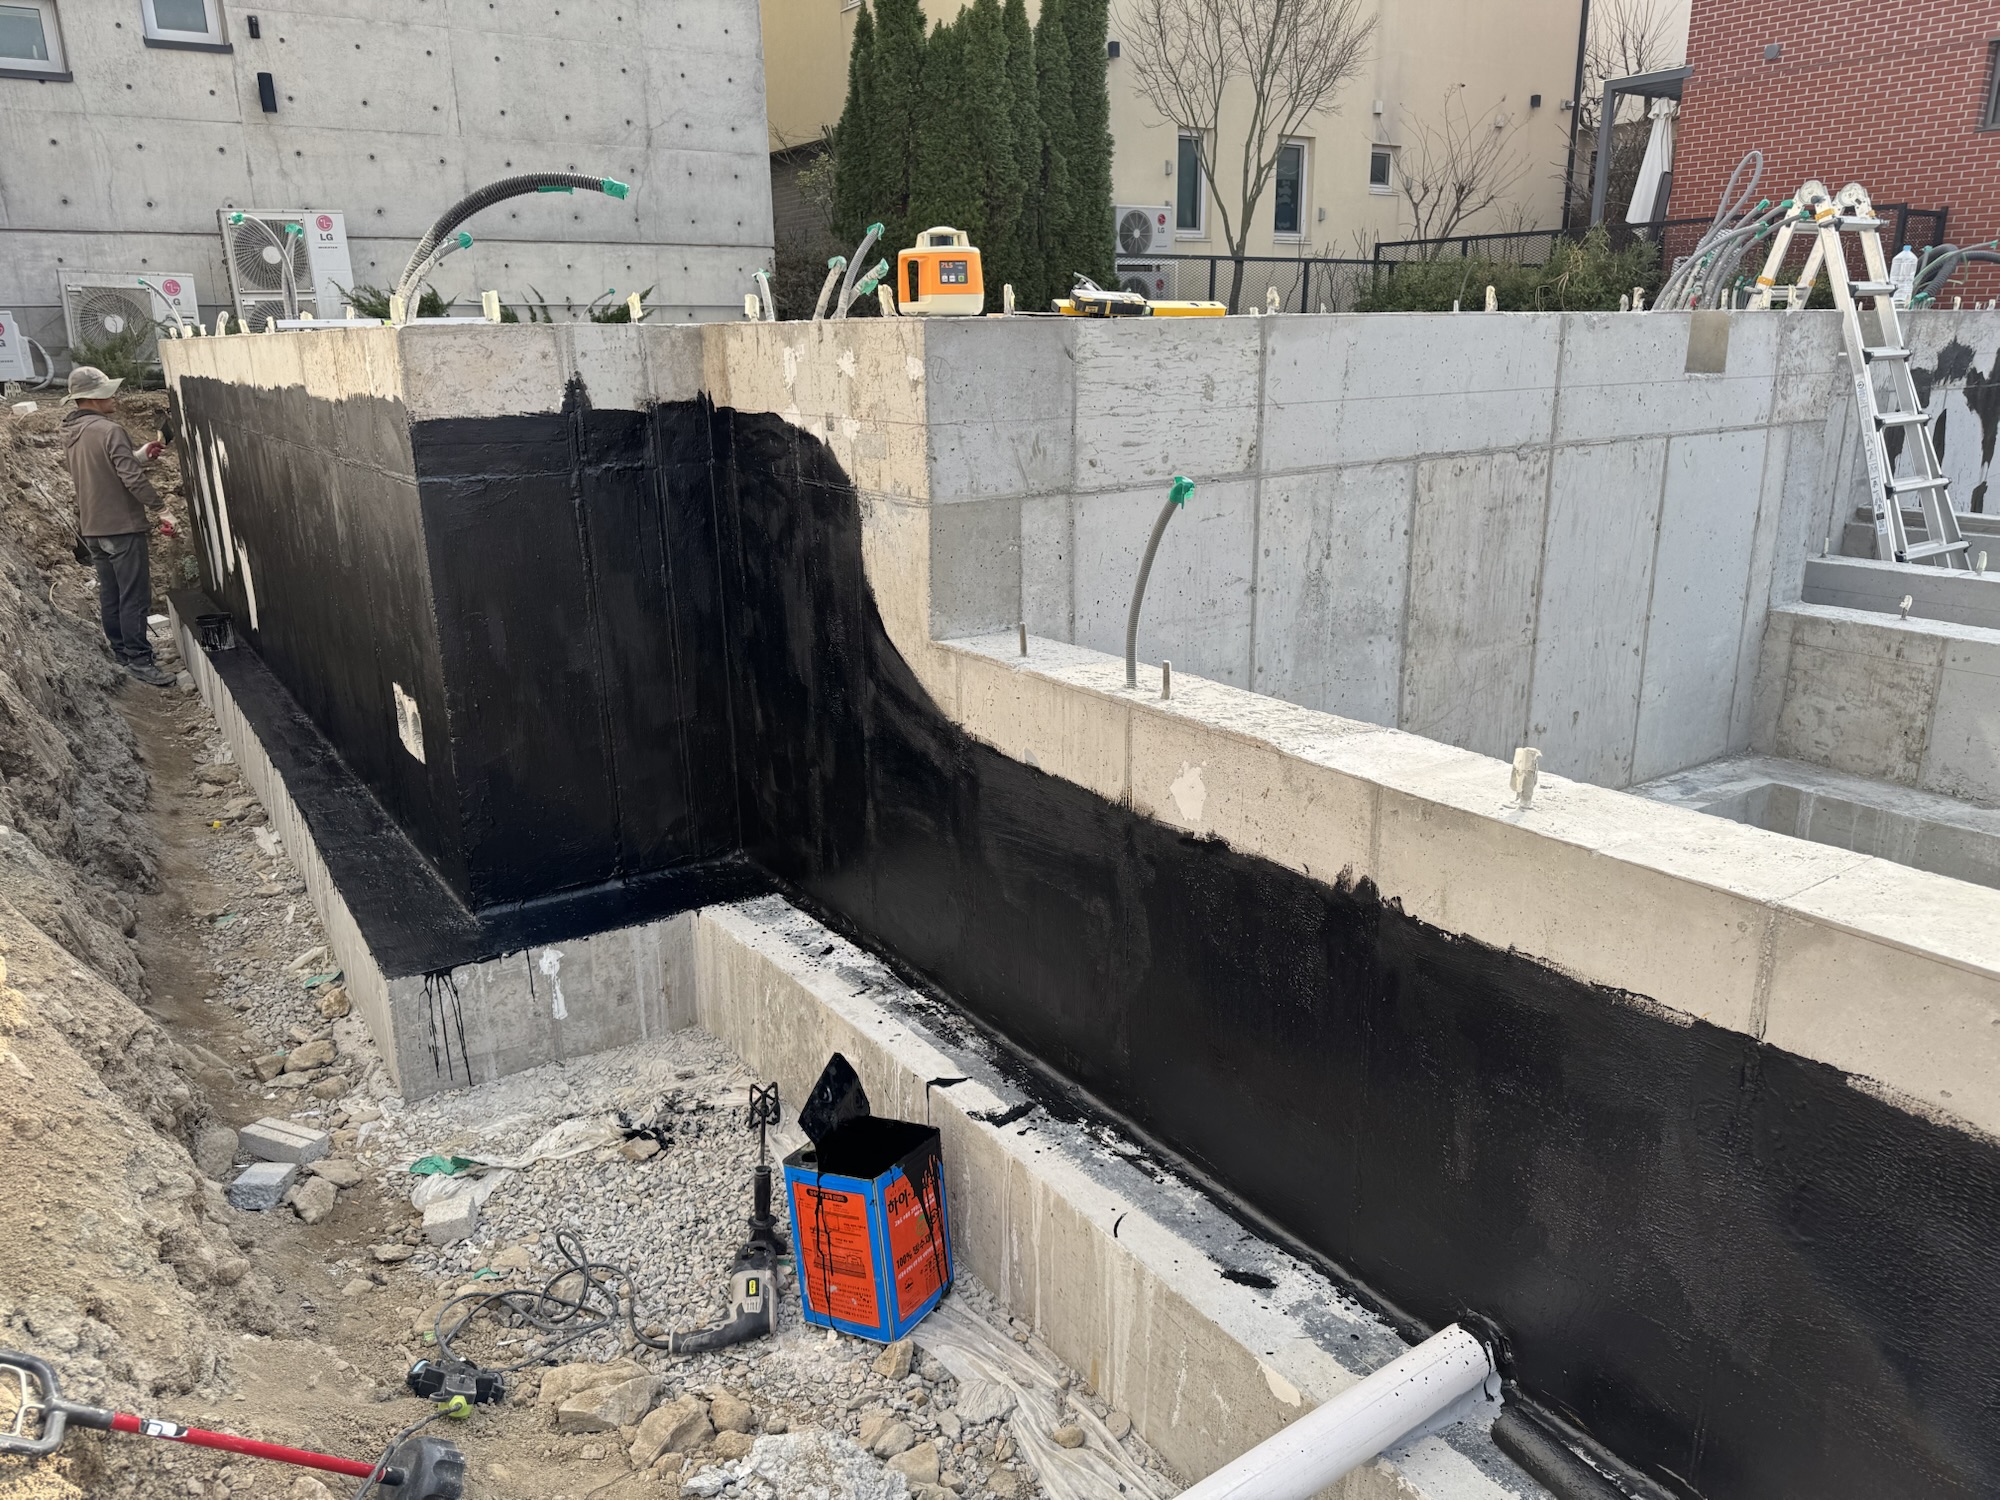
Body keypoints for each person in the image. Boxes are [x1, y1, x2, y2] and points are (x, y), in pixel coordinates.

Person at [62, 366, 173, 687]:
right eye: (109, 392)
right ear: (94, 397)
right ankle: (140, 660)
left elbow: (102, 467)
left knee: (111, 594)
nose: (115, 396)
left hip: (93, 528)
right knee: (135, 596)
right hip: (121, 527)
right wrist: (162, 509)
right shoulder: (110, 430)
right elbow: (130, 478)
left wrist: (137, 455)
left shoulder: (72, 431)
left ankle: (122, 653)